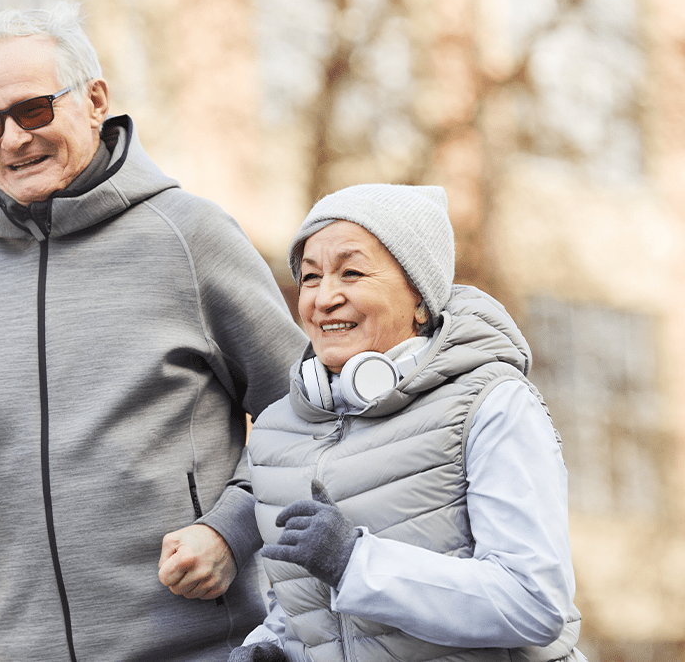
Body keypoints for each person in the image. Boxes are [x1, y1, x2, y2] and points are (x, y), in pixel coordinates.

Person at [0, 3, 305, 662]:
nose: (13, 140)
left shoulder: (190, 237)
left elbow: (308, 413)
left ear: (96, 100)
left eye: (35, 110)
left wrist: (231, 530)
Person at [229, 184, 584, 662]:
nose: (324, 297)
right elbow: (299, 603)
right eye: (310, 278)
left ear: (421, 297)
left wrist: (355, 562)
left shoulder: (492, 405)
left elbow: (535, 603)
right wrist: (271, 646)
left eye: (351, 272)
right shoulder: (277, 431)